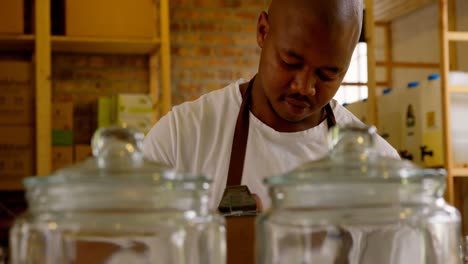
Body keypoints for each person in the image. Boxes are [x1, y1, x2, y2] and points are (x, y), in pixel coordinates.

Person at [143, 0, 399, 210]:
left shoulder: (379, 166)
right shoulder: (180, 139)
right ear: (263, 31)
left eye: (328, 74)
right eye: (290, 61)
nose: (304, 87)